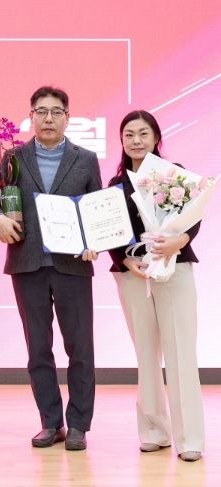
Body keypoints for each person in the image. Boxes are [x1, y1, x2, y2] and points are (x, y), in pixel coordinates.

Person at [0, 86, 100, 451]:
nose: (48, 118)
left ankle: (79, 424)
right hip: (28, 263)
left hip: (73, 266)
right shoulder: (13, 157)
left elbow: (97, 210)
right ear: (31, 116)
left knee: (80, 348)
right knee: (38, 348)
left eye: (55, 112)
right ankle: (51, 423)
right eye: (41, 111)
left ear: (67, 117)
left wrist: (95, 240)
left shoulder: (86, 159)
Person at [108, 110, 204, 462]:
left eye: (143, 133)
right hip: (133, 276)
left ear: (156, 138)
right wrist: (125, 261)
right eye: (129, 134)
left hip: (174, 270)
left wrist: (179, 241)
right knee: (146, 354)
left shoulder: (173, 174)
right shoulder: (115, 185)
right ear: (121, 140)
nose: (136, 140)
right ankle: (153, 431)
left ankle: (189, 438)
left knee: (181, 354)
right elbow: (111, 232)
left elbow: (193, 217)